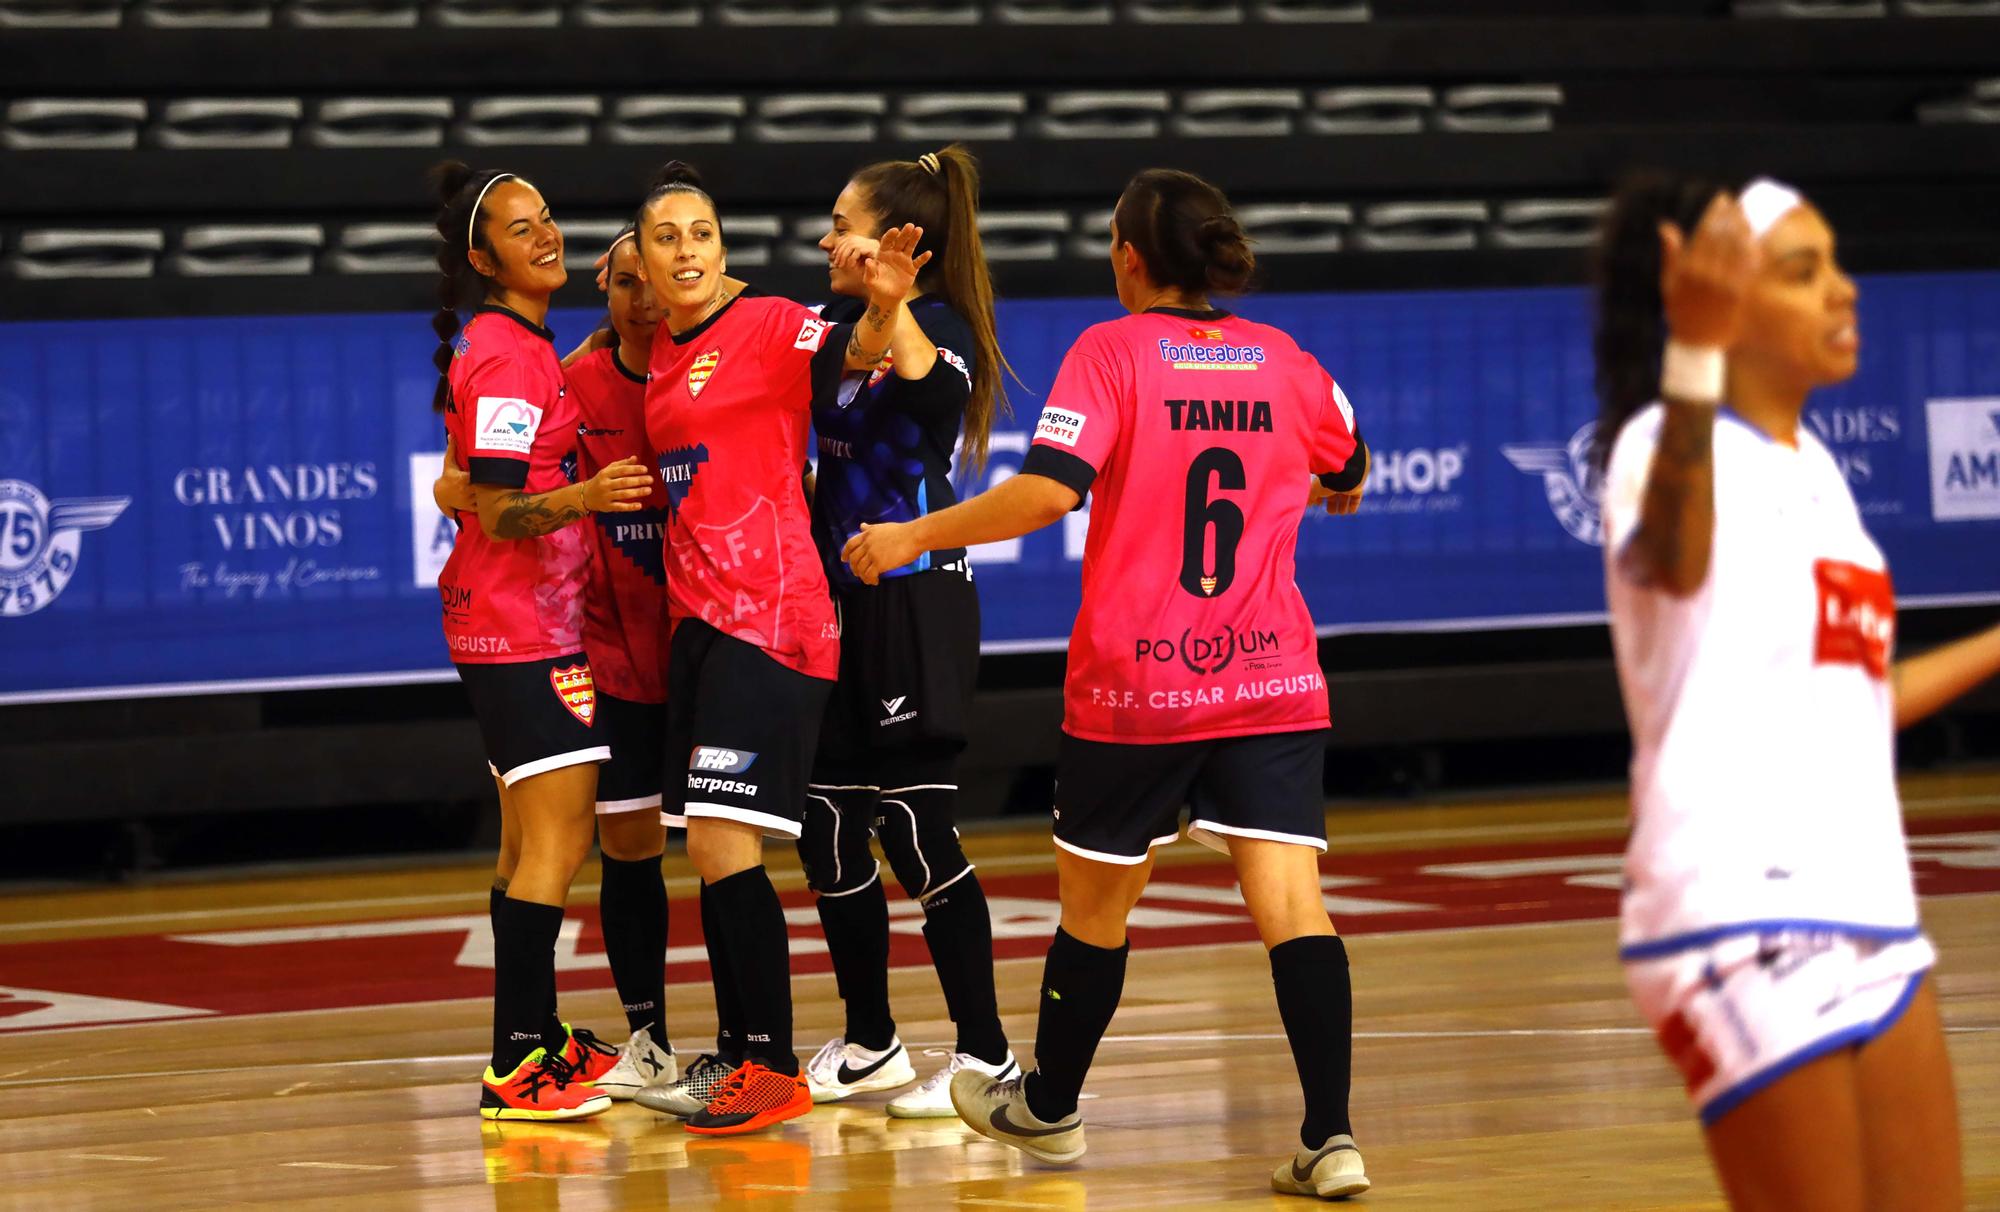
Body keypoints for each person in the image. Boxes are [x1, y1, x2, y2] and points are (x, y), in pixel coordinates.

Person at [843, 167, 1373, 1198]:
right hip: (1268, 678)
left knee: (1095, 908)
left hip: (1139, 683)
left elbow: (1047, 490)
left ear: (1129, 257)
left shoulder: (1110, 351)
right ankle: (1331, 1137)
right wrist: (1314, 486)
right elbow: (1345, 465)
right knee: (1292, 908)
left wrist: (910, 532)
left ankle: (1047, 1110)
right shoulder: (1282, 359)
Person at [1595, 173, 2000, 1212]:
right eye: (1800, 270)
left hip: (1873, 906)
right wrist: (1690, 352)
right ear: (1714, 305)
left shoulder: (1816, 468)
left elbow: (1851, 697)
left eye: (1835, 264)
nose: (1841, 290)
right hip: (1736, 912)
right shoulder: (1660, 444)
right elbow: (1675, 562)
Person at [625, 161, 929, 1136]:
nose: (685, 249)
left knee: (723, 843)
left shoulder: (765, 325)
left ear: (724, 250)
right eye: (665, 235)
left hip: (774, 616)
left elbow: (854, 351)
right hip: (701, 625)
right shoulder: (663, 355)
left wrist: (884, 305)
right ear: (638, 256)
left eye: (701, 233)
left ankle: (770, 1065)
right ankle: (736, 1049)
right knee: (709, 851)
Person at [426, 162, 655, 1121]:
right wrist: (586, 496)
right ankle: (521, 1063)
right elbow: (494, 505)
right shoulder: (509, 356)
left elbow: (454, 481)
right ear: (484, 258)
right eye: (522, 230)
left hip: (508, 622)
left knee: (528, 842)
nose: (546, 235)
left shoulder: (510, 343)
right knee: (558, 843)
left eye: (549, 218)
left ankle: (532, 1038)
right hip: (524, 630)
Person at [794, 145, 1019, 1117]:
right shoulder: (828, 326)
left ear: (898, 245)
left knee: (913, 822)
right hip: (836, 601)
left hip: (917, 596)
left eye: (842, 222)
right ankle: (872, 1040)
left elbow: (932, 397)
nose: (825, 236)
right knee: (827, 822)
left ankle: (987, 1058)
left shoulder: (941, 327)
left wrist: (893, 307)